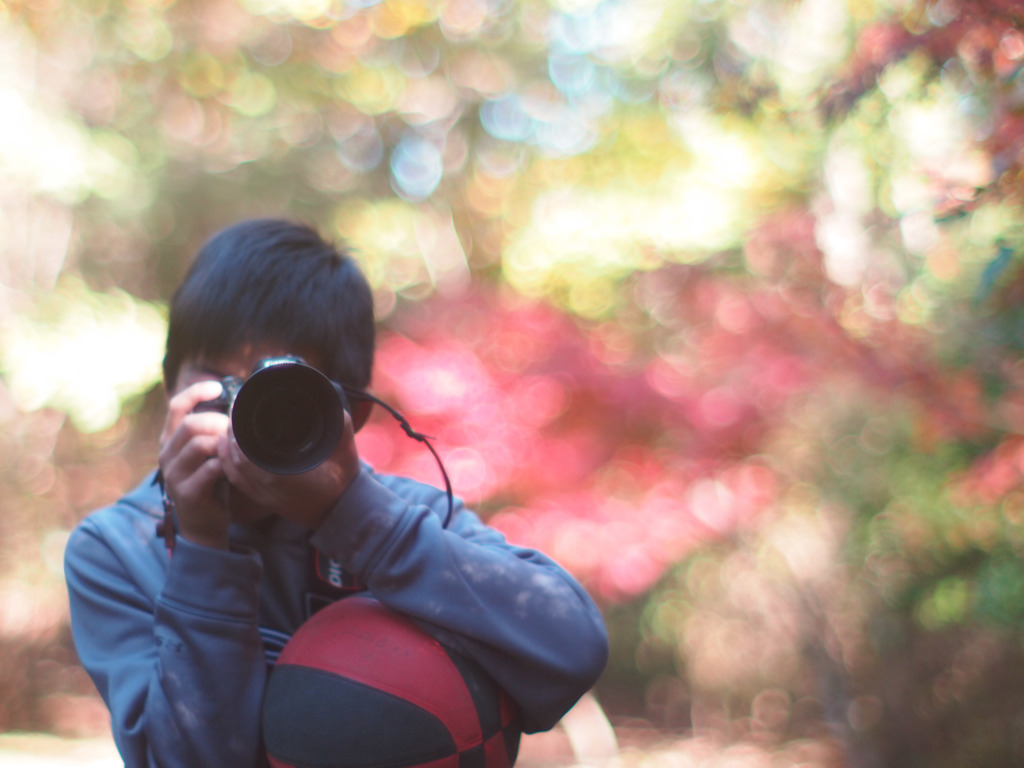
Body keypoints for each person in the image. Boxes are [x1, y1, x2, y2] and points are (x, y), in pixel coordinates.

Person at [64, 218, 609, 768]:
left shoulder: (403, 515)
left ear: (352, 413)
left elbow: (571, 650)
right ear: (169, 385)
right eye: (218, 386)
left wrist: (354, 518)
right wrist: (203, 547)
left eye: (277, 395)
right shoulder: (117, 549)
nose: (242, 420)